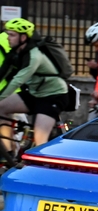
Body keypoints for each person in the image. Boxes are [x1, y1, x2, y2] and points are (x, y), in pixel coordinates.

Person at [0, 18, 69, 149]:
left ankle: (43, 167)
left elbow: (18, 81)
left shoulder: (34, 55)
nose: (8, 38)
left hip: (52, 96)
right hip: (34, 94)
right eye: (8, 34)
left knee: (40, 140)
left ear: (23, 37)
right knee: (1, 107)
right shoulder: (15, 53)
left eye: (12, 35)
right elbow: (2, 74)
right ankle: (9, 153)